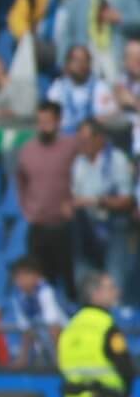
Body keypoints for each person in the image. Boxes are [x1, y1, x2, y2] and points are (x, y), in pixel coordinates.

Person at [17, 101, 81, 295]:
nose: (43, 126)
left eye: (48, 122)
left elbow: (83, 174)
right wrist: (27, 209)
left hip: (64, 225)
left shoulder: (71, 146)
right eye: (40, 122)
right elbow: (21, 182)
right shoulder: (28, 150)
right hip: (38, 225)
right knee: (40, 285)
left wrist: (73, 203)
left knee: (71, 282)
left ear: (58, 121)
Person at [70, 119, 134, 294]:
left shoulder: (116, 159)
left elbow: (127, 199)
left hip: (112, 224)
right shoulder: (79, 162)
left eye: (86, 139)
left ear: (100, 139)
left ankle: (115, 314)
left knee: (114, 276)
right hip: (86, 226)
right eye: (79, 140)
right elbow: (74, 194)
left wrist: (96, 201)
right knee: (84, 275)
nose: (82, 144)